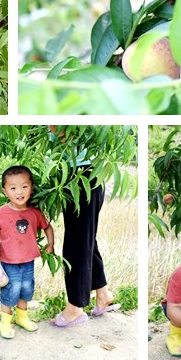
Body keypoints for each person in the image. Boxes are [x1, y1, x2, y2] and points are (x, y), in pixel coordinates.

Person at [49, 128, 120, 329]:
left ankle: (75, 308)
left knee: (76, 243)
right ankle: (103, 293)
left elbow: (64, 132)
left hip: (81, 174)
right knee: (84, 238)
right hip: (83, 172)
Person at [0, 165, 54, 339]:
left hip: (28, 260)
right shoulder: (1, 213)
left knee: (26, 288)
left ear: (31, 188)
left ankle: (22, 317)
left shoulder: (34, 212)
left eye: (24, 186)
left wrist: (50, 244)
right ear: (5, 191)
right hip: (9, 262)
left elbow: (47, 226)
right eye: (13, 188)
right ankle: (5, 322)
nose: (19, 192)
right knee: (12, 288)